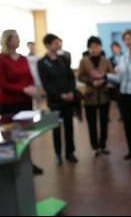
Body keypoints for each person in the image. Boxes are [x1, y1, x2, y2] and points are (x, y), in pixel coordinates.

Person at [0, 29, 43, 174]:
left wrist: (32, 87)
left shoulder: (22, 58)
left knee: (25, 134)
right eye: (15, 38)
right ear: (7, 41)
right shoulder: (0, 59)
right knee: (9, 136)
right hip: (8, 104)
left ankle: (27, 164)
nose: (18, 40)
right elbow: (1, 83)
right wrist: (24, 89)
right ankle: (11, 166)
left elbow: (29, 76)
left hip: (25, 102)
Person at [94, 29, 131, 166]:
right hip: (124, 94)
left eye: (130, 38)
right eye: (125, 39)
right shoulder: (123, 57)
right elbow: (119, 78)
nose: (127, 41)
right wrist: (105, 76)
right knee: (128, 125)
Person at [38, 34, 78, 165]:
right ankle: (58, 154)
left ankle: (70, 152)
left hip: (68, 100)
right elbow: (46, 84)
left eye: (59, 42)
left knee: (69, 127)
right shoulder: (42, 63)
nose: (59, 45)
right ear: (48, 45)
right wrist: (60, 95)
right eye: (56, 43)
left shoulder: (63, 59)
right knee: (56, 129)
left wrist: (71, 92)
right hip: (55, 101)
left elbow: (71, 77)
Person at [78, 36, 113, 157]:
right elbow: (80, 76)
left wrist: (103, 80)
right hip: (90, 96)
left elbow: (111, 74)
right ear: (88, 48)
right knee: (91, 123)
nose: (95, 49)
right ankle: (94, 147)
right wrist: (91, 81)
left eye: (97, 46)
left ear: (101, 47)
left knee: (104, 122)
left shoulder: (106, 60)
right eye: (92, 47)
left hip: (104, 95)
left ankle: (103, 145)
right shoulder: (84, 61)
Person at [109, 41, 124, 121]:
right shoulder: (110, 59)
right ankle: (121, 115)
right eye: (113, 48)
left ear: (119, 47)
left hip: (125, 81)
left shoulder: (126, 56)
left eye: (116, 47)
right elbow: (110, 70)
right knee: (119, 99)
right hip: (116, 81)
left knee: (126, 99)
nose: (115, 49)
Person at [26, 41, 42, 110]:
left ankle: (39, 112)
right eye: (30, 46)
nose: (31, 48)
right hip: (29, 82)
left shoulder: (38, 58)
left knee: (38, 99)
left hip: (38, 81)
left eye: (32, 46)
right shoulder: (25, 58)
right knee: (30, 100)